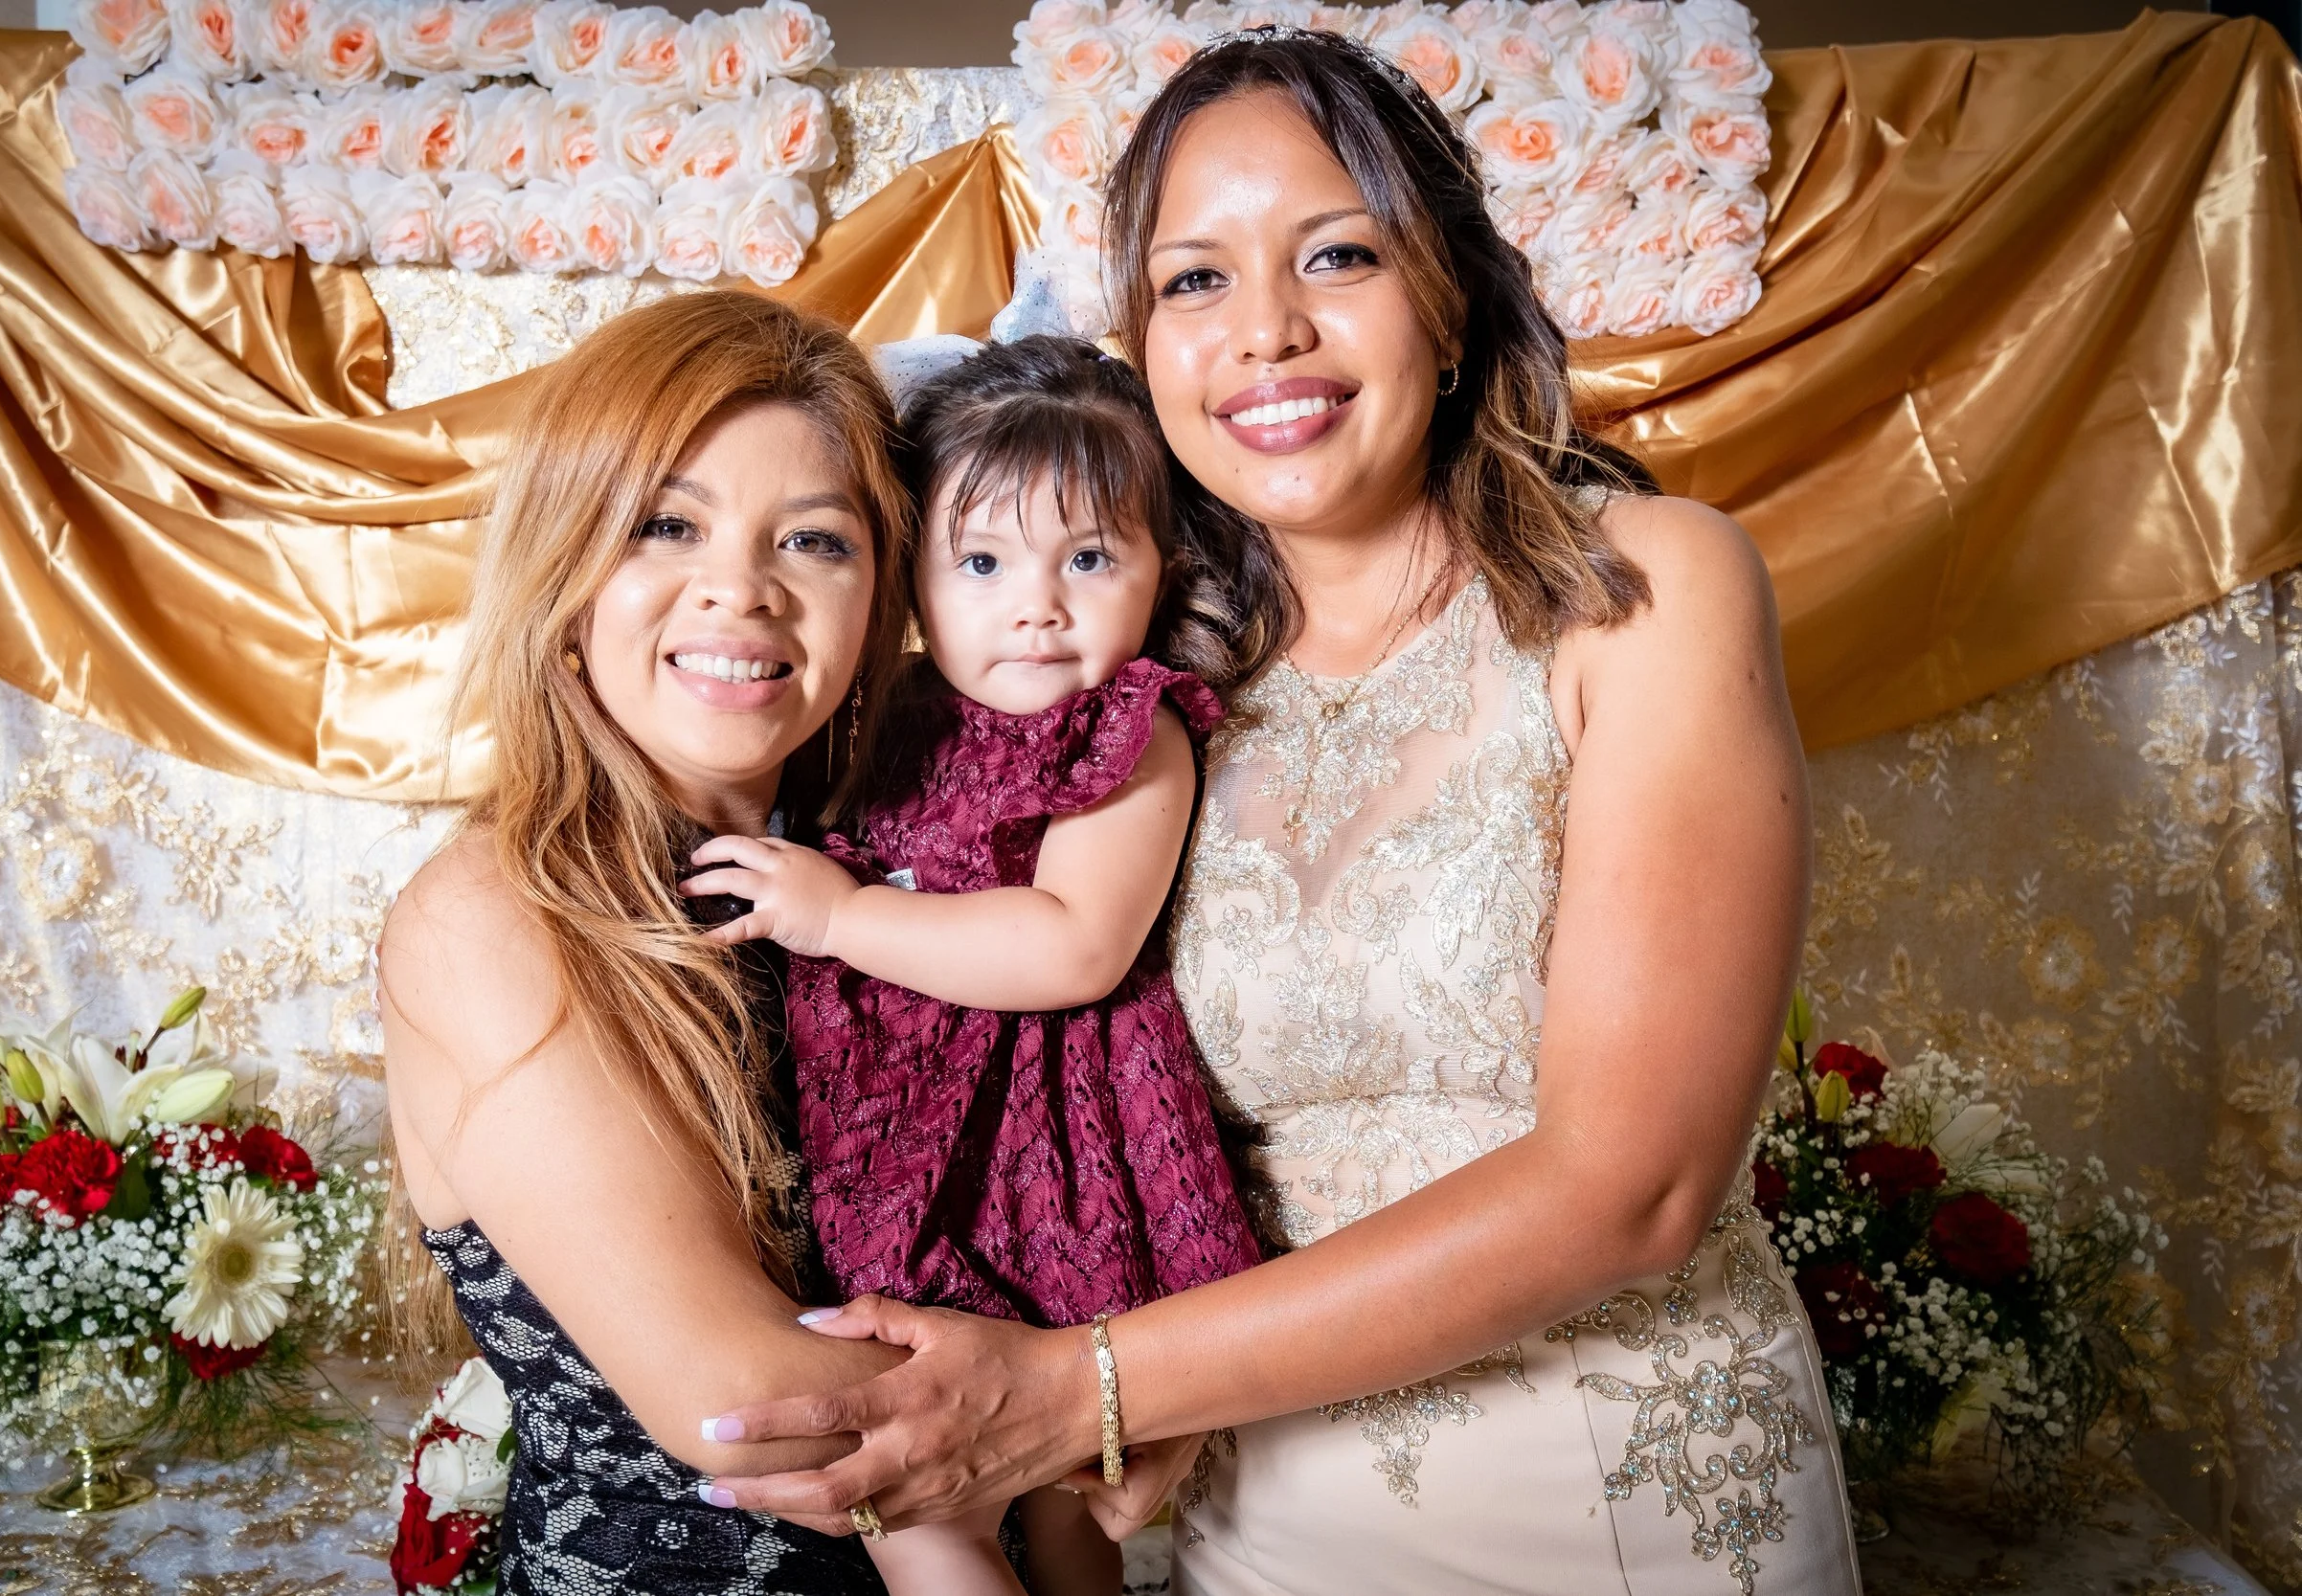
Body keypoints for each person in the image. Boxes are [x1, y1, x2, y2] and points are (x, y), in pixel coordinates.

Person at [698, 30, 1866, 1596]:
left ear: (1449, 297)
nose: (1265, 331)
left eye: (1338, 254)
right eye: (1194, 280)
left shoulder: (1644, 590)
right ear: (1140, 349)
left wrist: (1080, 1387)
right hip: (1254, 1523)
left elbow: (1636, 1185)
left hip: (1623, 1502)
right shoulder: (1141, 677)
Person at [685, 335, 1263, 1596]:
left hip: (1051, 1154)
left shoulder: (1129, 730)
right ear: (911, 581)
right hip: (893, 1135)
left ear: (1164, 568)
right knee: (917, 1483)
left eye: (1089, 559)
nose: (1037, 604)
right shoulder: (887, 711)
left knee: (1050, 1498)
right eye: (985, 562)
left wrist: (841, 917)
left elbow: (1075, 942)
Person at [377, 291, 918, 1595]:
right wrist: (1101, 1395)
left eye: (815, 541)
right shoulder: (490, 915)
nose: (743, 587)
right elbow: (745, 1400)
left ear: (876, 604)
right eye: (667, 525)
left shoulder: (882, 896)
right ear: (566, 572)